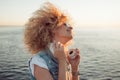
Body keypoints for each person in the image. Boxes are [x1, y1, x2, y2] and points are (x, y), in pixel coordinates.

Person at [24, 2, 80, 80]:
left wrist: (74, 68)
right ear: (53, 28)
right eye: (65, 24)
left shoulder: (63, 56)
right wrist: (62, 60)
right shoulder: (39, 61)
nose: (71, 27)